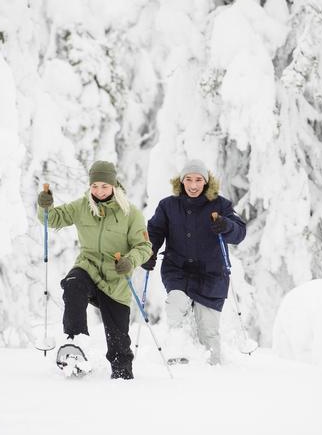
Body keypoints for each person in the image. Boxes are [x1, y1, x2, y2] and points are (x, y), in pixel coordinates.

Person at [37, 161, 152, 379]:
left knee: (119, 347)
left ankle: (123, 379)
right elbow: (51, 218)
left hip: (116, 282)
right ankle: (75, 343)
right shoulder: (82, 206)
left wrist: (130, 260)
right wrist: (45, 206)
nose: (99, 191)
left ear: (114, 186)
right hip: (88, 268)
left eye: (104, 186)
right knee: (73, 283)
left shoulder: (130, 213)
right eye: (95, 186)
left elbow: (145, 247)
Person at [143, 159, 246, 365]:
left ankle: (212, 370)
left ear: (206, 182)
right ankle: (180, 351)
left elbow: (239, 232)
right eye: (188, 179)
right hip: (177, 270)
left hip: (212, 274)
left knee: (208, 332)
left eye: (198, 180)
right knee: (176, 305)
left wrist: (226, 225)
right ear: (181, 182)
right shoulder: (168, 205)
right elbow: (154, 232)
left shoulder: (220, 204)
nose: (193, 185)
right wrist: (149, 252)